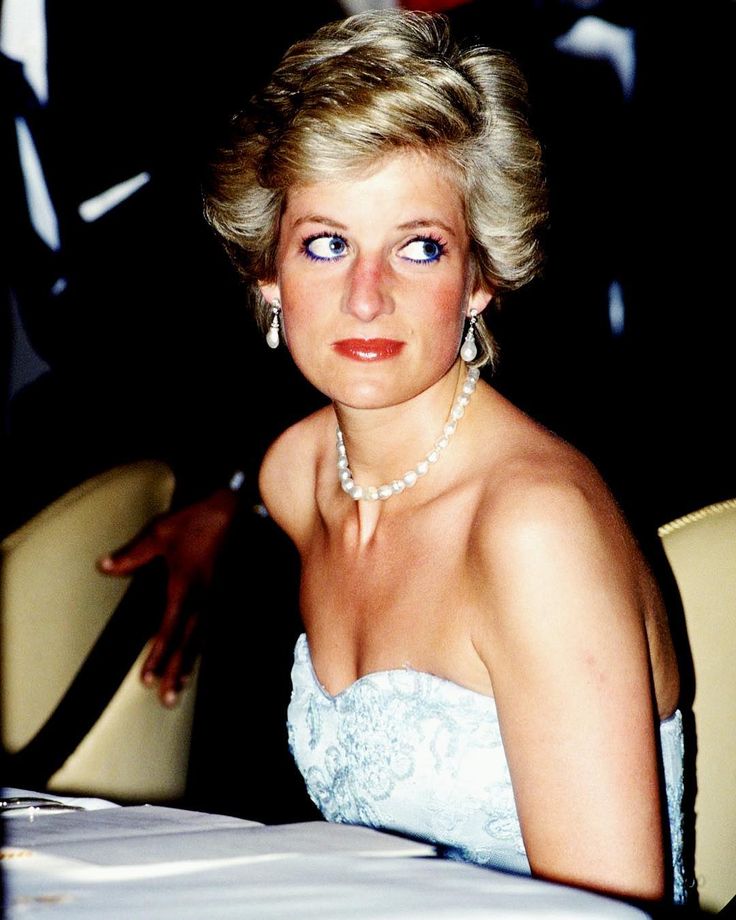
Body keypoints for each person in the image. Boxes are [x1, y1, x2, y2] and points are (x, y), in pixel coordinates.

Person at [201, 8, 692, 908]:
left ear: (477, 279)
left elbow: (611, 912)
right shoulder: (301, 477)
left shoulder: (532, 531)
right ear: (267, 272)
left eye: (419, 247)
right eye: (326, 243)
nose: (366, 295)